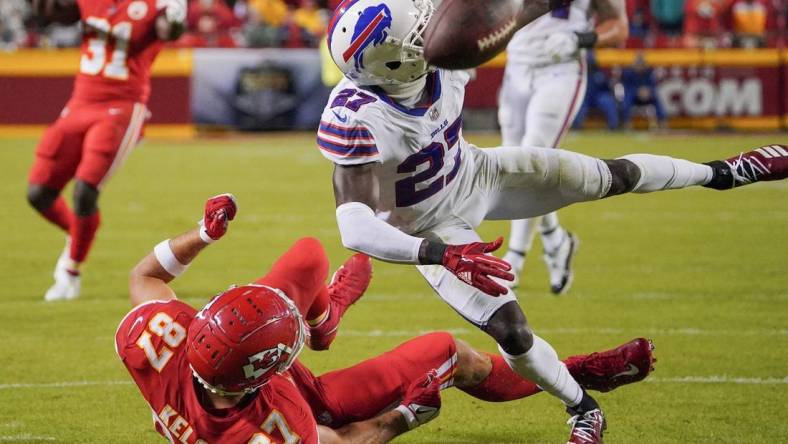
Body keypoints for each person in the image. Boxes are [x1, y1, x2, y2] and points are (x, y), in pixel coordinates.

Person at [318, 0, 787, 442]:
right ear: (395, 62)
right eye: (420, 30)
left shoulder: (438, 56)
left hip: (479, 174)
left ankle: (723, 173)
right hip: (432, 229)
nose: (431, 23)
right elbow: (353, 226)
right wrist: (440, 253)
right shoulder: (356, 117)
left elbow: (512, 15)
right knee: (513, 332)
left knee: (610, 175)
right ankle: (583, 408)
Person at [117, 194, 657, 443]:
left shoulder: (155, 344)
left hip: (230, 383)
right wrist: (405, 417)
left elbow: (144, 279)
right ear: (267, 373)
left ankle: (323, 323)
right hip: (312, 409)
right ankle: (580, 374)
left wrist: (204, 234)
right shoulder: (275, 429)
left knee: (307, 256)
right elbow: (347, 439)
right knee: (452, 353)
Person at [26, 0, 187, 301]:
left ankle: (70, 272)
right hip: (80, 101)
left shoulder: (153, 5)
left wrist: (176, 17)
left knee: (85, 191)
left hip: (122, 106)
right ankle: (79, 234)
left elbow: (168, 29)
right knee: (38, 193)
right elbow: (55, 15)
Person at [498, 0, 629, 294]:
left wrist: (580, 38)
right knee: (511, 166)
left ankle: (514, 260)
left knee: (530, 157)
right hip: (516, 65)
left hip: (560, 68)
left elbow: (619, 28)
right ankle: (556, 239)